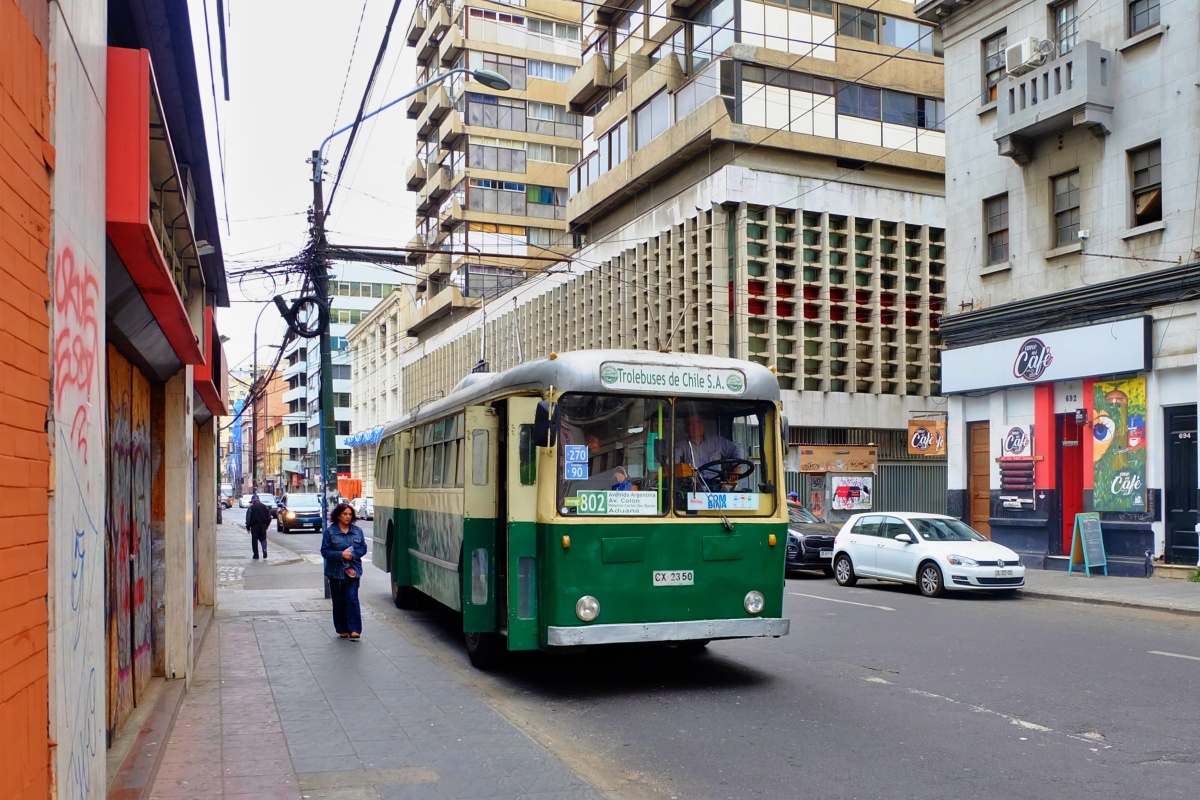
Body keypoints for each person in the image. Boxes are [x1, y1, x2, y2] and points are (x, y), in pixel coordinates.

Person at [321, 503, 368, 640]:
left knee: (352, 599)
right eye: (345, 514)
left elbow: (363, 548)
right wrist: (341, 555)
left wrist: (353, 555)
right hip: (335, 572)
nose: (348, 517)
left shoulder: (357, 531)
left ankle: (354, 629)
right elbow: (325, 551)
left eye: (350, 514)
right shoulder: (330, 532)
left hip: (353, 571)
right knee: (339, 601)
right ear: (338, 516)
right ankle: (342, 628)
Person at [675, 412, 745, 487]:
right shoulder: (681, 445)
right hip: (693, 487)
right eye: (690, 423)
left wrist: (736, 470)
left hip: (716, 485)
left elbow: (737, 449)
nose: (695, 426)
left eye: (698, 422)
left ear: (703, 425)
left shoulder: (717, 441)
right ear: (686, 428)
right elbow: (673, 463)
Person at [244, 494, 273, 560]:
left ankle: (256, 555)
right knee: (263, 539)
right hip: (263, 526)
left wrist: (248, 527)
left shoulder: (251, 508)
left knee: (254, 541)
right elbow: (269, 517)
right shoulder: (265, 507)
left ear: (253, 501)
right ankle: (264, 549)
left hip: (254, 526)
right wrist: (267, 525)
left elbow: (248, 518)